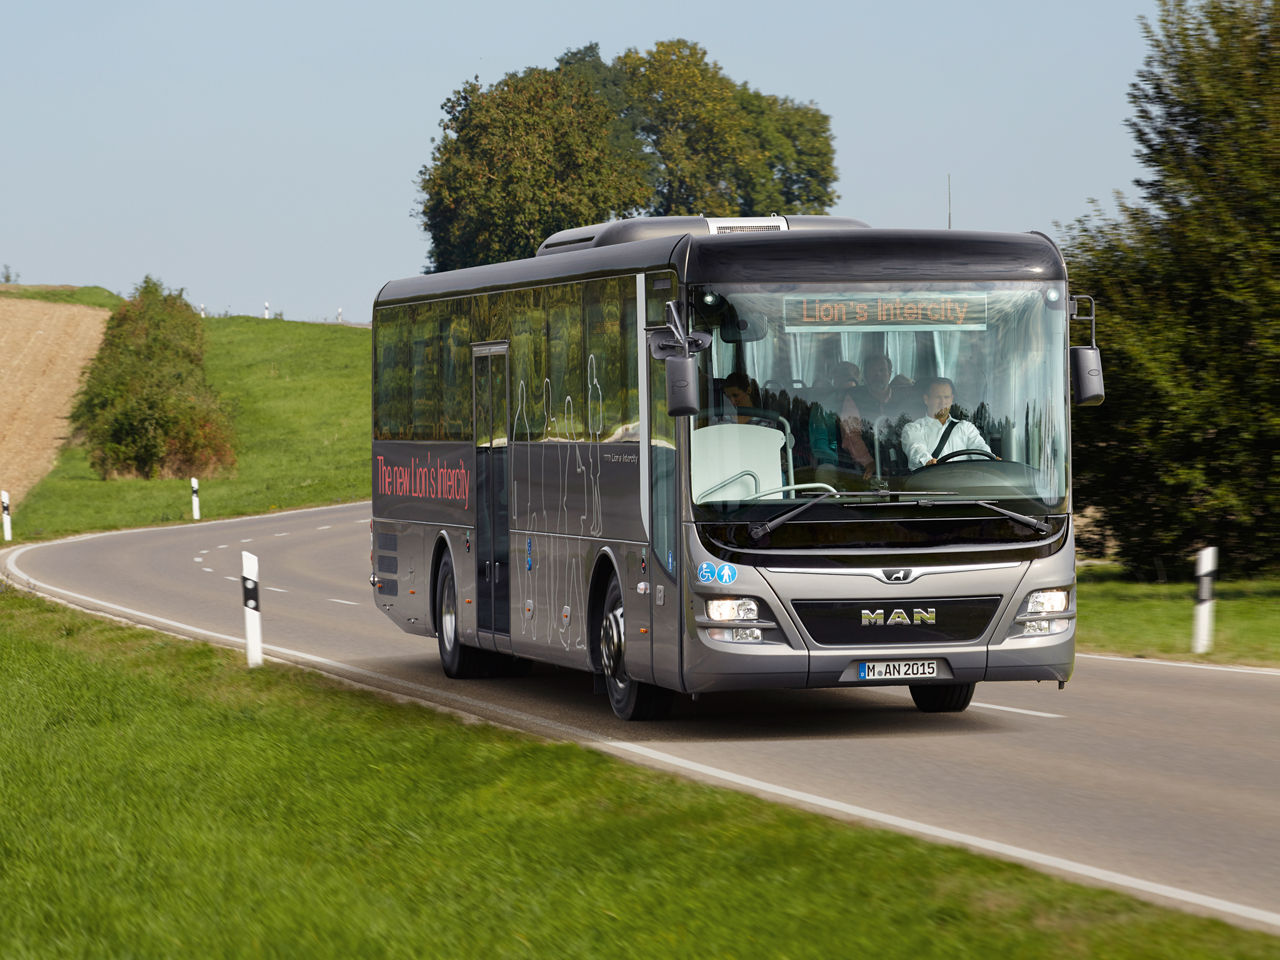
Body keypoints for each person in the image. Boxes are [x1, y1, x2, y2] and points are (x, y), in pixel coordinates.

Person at [900, 377, 997, 470]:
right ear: (926, 399)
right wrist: (928, 461)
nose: (943, 403)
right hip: (929, 484)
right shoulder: (913, 429)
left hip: (964, 483)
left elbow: (980, 448)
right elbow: (916, 449)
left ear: (952, 399)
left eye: (946, 397)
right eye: (938, 397)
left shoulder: (966, 428)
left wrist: (991, 460)